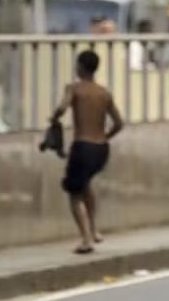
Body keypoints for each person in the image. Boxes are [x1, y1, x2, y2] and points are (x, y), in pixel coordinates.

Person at [51, 50, 124, 254]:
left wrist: (54, 118)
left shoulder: (74, 89)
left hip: (82, 147)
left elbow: (62, 107)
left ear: (80, 67)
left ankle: (86, 239)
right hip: (101, 150)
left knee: (74, 194)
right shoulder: (104, 93)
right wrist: (105, 138)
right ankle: (94, 229)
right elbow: (119, 123)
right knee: (86, 186)